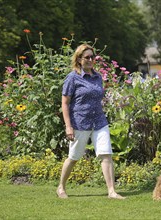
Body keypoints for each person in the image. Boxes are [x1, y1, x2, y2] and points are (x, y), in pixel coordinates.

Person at [56, 43, 125, 200]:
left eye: (92, 57)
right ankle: (61, 187)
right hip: (80, 122)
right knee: (74, 157)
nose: (90, 60)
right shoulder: (72, 78)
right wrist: (68, 126)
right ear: (79, 59)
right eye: (86, 57)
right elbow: (65, 103)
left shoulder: (97, 77)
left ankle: (111, 191)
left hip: (99, 121)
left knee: (106, 154)